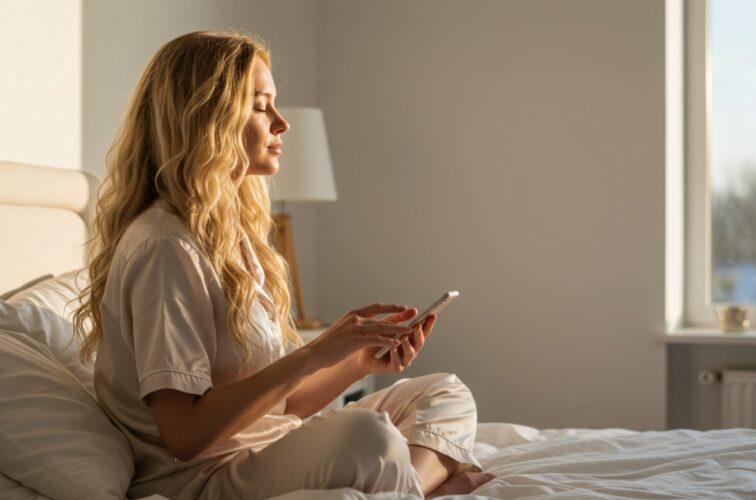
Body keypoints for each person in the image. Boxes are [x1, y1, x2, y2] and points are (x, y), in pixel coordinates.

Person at [73, 31, 494, 500]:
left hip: (265, 448)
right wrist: (313, 353)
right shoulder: (165, 247)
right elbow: (185, 436)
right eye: (260, 105)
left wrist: (356, 363)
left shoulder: (228, 235)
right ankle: (422, 485)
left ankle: (409, 487)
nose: (281, 123)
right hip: (203, 478)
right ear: (206, 118)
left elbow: (283, 406)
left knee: (444, 394)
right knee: (367, 437)